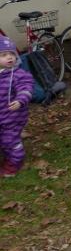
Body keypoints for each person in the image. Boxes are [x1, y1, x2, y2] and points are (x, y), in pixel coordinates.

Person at [0, 35, 34, 177]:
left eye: (12, 54)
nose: (9, 57)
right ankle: (7, 155)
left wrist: (20, 100)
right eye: (3, 55)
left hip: (14, 116)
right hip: (2, 115)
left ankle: (15, 162)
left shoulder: (19, 74)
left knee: (10, 140)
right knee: (3, 139)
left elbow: (26, 88)